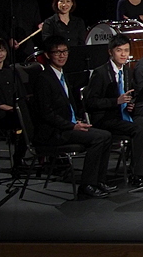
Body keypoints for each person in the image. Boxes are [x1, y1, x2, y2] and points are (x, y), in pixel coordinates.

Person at [33, 36, 114, 198]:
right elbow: (46, 113)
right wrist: (72, 126)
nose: (62, 55)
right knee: (99, 138)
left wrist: (76, 120)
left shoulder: (63, 74)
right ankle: (87, 186)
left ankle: (98, 181)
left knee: (106, 135)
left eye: (65, 51)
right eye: (57, 52)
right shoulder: (43, 79)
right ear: (48, 55)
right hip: (54, 131)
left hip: (67, 126)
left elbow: (67, 106)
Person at [85, 34, 143, 187]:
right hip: (106, 119)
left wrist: (130, 104)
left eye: (126, 50)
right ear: (111, 52)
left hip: (123, 116)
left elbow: (130, 95)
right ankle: (137, 173)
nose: (123, 54)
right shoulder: (101, 73)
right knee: (138, 128)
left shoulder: (128, 71)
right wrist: (116, 101)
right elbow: (90, 102)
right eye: (119, 50)